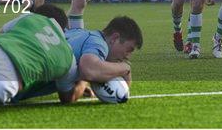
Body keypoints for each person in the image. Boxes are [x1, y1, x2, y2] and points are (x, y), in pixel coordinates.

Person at [12, 15, 142, 102]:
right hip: (10, 80)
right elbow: (89, 70)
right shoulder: (98, 43)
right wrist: (125, 68)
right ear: (114, 38)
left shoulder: (79, 33)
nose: (127, 56)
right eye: (129, 49)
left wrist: (80, 81)